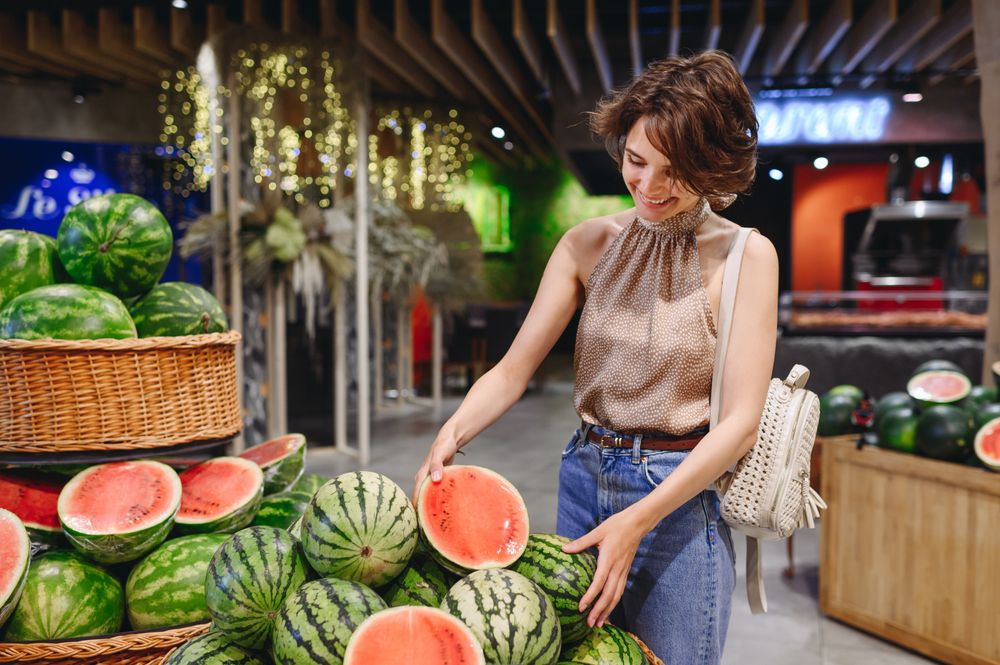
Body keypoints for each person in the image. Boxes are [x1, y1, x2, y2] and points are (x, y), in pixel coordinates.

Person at [414, 50, 778, 664]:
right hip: (583, 476)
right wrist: (452, 431)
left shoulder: (747, 257)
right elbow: (510, 369)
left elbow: (741, 422)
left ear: (714, 167)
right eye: (637, 161)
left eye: (677, 171)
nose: (650, 186)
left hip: (679, 497)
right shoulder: (587, 244)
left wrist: (640, 519)